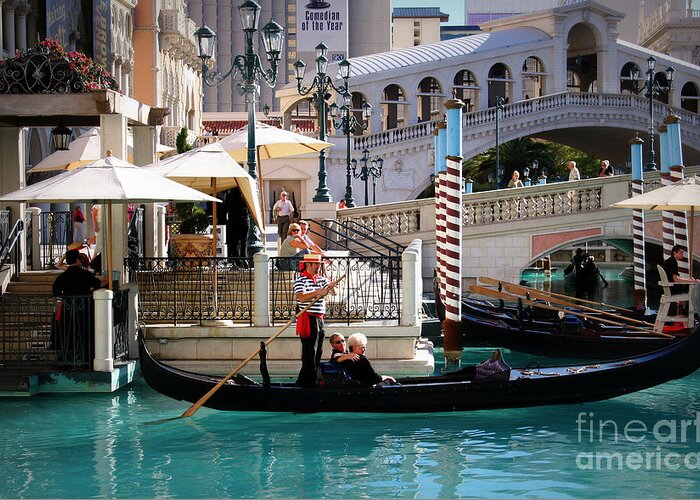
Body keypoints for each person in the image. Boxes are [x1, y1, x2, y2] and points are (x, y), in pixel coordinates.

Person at [294, 253, 341, 387]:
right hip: (308, 319)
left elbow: (334, 294)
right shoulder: (300, 280)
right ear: (308, 265)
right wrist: (318, 292)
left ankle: (307, 380)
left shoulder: (321, 279)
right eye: (317, 265)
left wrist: (331, 287)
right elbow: (301, 298)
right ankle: (308, 381)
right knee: (309, 351)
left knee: (318, 350)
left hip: (319, 319)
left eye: (320, 265)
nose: (319, 267)